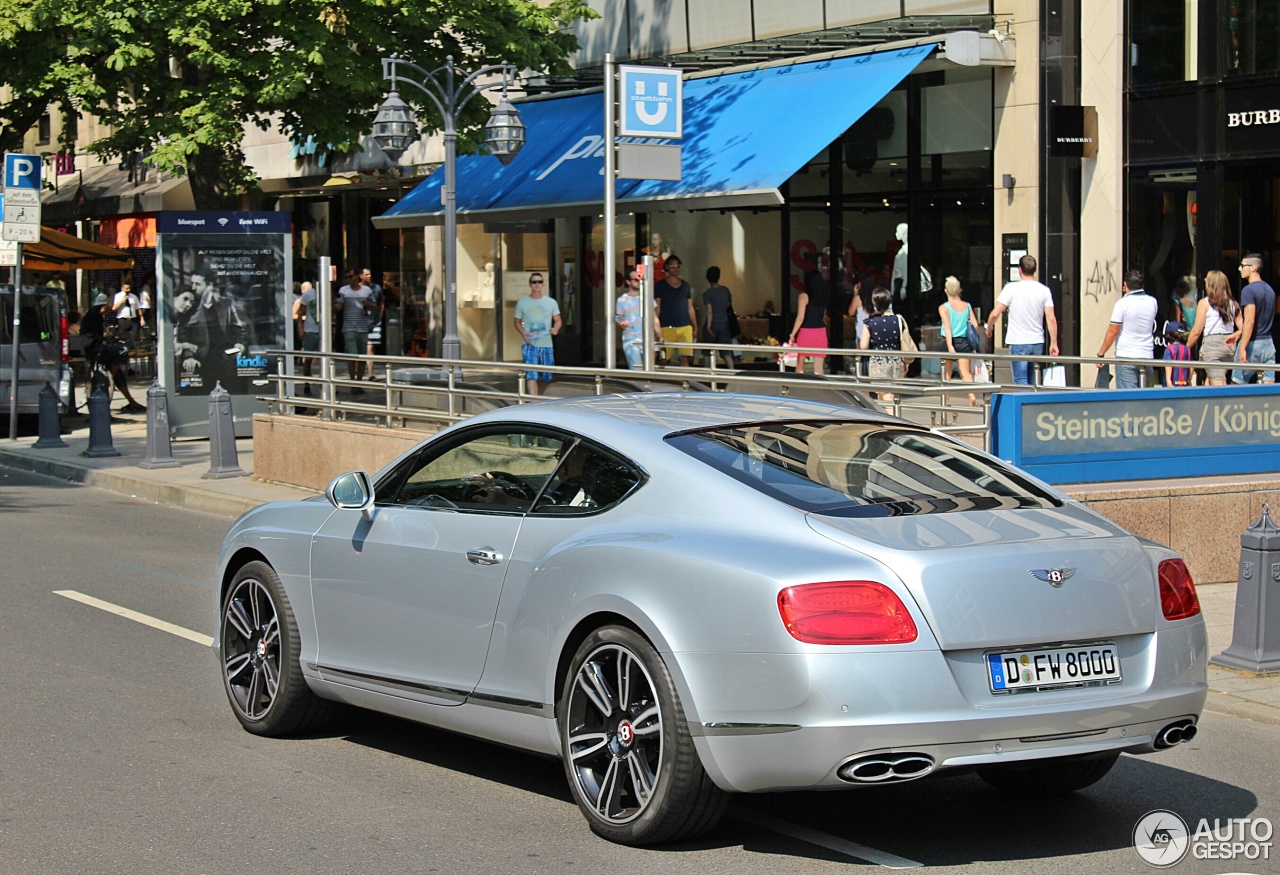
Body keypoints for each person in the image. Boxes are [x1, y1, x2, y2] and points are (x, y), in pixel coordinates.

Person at [985, 254, 1059, 385]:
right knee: (1033, 380)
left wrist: (989, 327)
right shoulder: (1044, 290)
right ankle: (1032, 404)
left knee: (1020, 380)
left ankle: (1023, 405)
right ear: (1034, 270)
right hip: (1037, 342)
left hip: (1018, 341)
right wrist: (1053, 342)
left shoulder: (1011, 288)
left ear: (1019, 270)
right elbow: (1051, 319)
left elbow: (995, 314)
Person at [79, 292, 146, 412]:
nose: (111, 307)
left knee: (119, 372)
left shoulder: (96, 316)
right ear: (103, 306)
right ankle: (113, 374)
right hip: (94, 349)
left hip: (97, 346)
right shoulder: (94, 314)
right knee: (122, 351)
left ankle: (132, 402)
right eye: (109, 304)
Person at [1096, 269, 1159, 389]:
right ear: (1143, 285)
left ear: (1125, 285)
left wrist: (1101, 353)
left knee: (1129, 400)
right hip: (1147, 356)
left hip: (1126, 356)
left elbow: (1113, 332)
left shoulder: (1122, 304)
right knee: (1144, 398)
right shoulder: (1153, 302)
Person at [1186, 269, 1241, 386]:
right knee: (1211, 379)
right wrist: (1236, 334)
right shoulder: (1233, 303)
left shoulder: (1204, 303)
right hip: (1229, 346)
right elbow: (1243, 327)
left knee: (1218, 382)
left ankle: (1224, 403)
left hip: (1212, 345)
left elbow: (1196, 331)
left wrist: (1186, 347)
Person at [513, 272, 561, 395]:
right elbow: (517, 322)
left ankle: (539, 399)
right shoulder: (522, 303)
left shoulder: (551, 302)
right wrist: (523, 334)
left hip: (546, 344)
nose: (537, 284)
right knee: (531, 374)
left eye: (539, 281)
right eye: (534, 282)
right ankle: (533, 400)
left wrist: (555, 329)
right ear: (530, 284)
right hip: (529, 343)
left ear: (543, 284)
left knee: (546, 376)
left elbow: (558, 320)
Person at [1233, 253, 1275, 385]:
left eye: (1242, 265)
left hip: (1253, 344)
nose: (1240, 269)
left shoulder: (1248, 291)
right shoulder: (1270, 290)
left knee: (1237, 385)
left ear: (1253, 268)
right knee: (1268, 388)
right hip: (1268, 344)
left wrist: (1242, 347)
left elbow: (1250, 321)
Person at [938, 276, 981, 406]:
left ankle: (945, 400)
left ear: (946, 291)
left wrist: (950, 345)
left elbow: (947, 327)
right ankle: (971, 396)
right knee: (965, 373)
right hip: (964, 342)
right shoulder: (967, 306)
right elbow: (975, 325)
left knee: (947, 374)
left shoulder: (943, 308)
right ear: (958, 290)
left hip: (948, 341)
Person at [860, 287, 903, 402]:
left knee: (885, 394)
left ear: (874, 303)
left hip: (878, 360)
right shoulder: (898, 320)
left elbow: (863, 346)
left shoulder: (870, 322)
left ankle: (892, 419)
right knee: (888, 393)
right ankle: (890, 416)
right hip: (896, 359)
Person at [654, 255, 697, 366]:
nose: (675, 269)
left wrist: (695, 326)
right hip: (666, 326)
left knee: (684, 358)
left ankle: (686, 382)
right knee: (664, 358)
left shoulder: (685, 286)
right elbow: (657, 308)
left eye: (677, 266)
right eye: (672, 266)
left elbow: (690, 307)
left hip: (685, 326)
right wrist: (655, 328)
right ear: (667, 267)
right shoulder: (659, 286)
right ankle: (663, 382)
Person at [788, 260, 829, 375]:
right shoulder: (823, 297)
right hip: (821, 332)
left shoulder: (803, 296)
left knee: (800, 365)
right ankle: (820, 391)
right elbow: (824, 317)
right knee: (818, 367)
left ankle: (798, 390)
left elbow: (800, 317)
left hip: (806, 332)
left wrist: (792, 334)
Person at [335, 271, 373, 393]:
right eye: (346, 277)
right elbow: (339, 307)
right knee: (352, 356)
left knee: (361, 357)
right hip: (349, 327)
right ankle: (353, 382)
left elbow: (375, 305)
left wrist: (368, 304)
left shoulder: (366, 290)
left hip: (363, 327)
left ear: (358, 277)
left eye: (350, 276)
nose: (348, 279)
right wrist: (331, 302)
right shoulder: (343, 290)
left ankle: (359, 383)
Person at [615, 269, 659, 369]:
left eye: (640, 279)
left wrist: (660, 336)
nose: (639, 282)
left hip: (648, 339)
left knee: (650, 371)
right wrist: (622, 324)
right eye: (636, 279)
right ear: (628, 282)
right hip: (631, 339)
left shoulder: (647, 298)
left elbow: (654, 318)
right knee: (637, 370)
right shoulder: (622, 300)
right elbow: (619, 318)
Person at [702, 266, 736, 369]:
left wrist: (708, 327)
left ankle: (707, 377)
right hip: (725, 324)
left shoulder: (707, 294)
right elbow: (728, 306)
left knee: (707, 352)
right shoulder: (725, 290)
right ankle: (732, 374)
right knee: (726, 353)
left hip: (712, 324)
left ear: (707, 278)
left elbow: (709, 311)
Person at [292, 281, 320, 395]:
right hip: (310, 330)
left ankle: (326, 384)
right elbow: (299, 313)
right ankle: (306, 385)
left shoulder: (326, 294)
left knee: (326, 359)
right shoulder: (308, 295)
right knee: (307, 359)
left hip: (323, 331)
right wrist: (300, 329)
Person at [361, 267, 384, 370]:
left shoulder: (376, 288)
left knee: (371, 346)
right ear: (361, 276)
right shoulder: (357, 288)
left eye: (370, 274)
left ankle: (370, 372)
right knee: (365, 347)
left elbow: (381, 303)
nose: (369, 276)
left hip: (374, 321)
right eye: (366, 274)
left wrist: (379, 317)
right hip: (361, 322)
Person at [1162, 322, 1192, 387]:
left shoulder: (1169, 349)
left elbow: (1168, 364)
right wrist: (1189, 379)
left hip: (1173, 384)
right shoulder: (1187, 349)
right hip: (1184, 384)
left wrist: (1168, 380)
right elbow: (1191, 366)